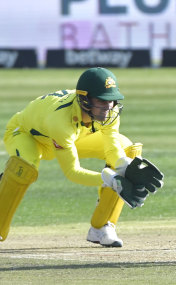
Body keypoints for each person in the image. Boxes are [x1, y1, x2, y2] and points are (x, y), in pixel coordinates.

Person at [0, 67, 164, 247]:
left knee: (126, 148)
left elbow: (113, 150)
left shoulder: (110, 111)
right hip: (27, 135)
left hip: (72, 138)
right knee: (24, 169)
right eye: (102, 101)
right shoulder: (60, 121)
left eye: (111, 100)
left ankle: (101, 227)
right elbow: (72, 171)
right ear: (84, 99)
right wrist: (110, 179)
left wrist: (124, 166)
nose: (108, 107)